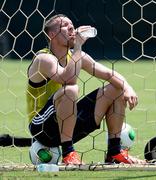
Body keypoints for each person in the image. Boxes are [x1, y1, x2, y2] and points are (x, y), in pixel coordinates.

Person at [27, 14, 144, 165]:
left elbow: (109, 74)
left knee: (117, 88)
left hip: (68, 124)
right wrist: (78, 45)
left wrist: (128, 87)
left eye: (71, 24)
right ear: (52, 35)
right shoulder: (44, 58)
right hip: (42, 127)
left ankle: (115, 153)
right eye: (64, 25)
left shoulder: (76, 55)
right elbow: (68, 79)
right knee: (70, 90)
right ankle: (69, 154)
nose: (71, 27)